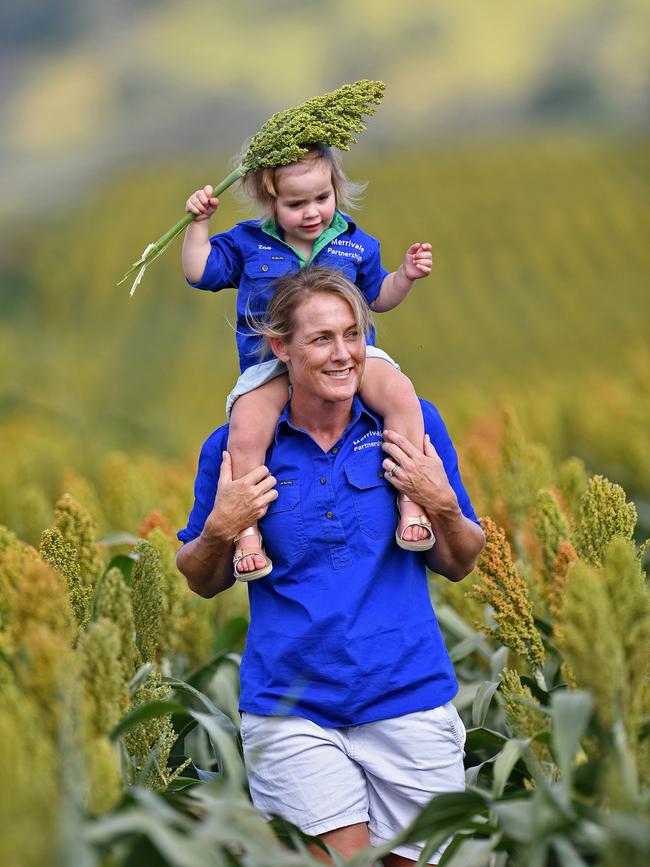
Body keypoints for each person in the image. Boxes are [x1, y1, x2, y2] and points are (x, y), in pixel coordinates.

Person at [176, 267, 485, 866]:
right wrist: (222, 525)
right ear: (280, 349)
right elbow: (200, 576)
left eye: (353, 335)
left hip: (408, 693)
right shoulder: (235, 446)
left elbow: (461, 561)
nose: (343, 354)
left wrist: (439, 500)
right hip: (291, 707)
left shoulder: (410, 424)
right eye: (321, 339)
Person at [182, 143, 434, 581]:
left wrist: (405, 277)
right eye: (295, 204)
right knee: (245, 429)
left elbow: (378, 296)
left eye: (321, 198)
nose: (312, 212)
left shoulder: (356, 245)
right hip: (269, 365)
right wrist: (198, 224)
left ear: (336, 189)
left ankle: (411, 502)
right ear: (271, 201)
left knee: (400, 393)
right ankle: (246, 534)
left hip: (348, 358)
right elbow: (199, 271)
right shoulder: (248, 243)